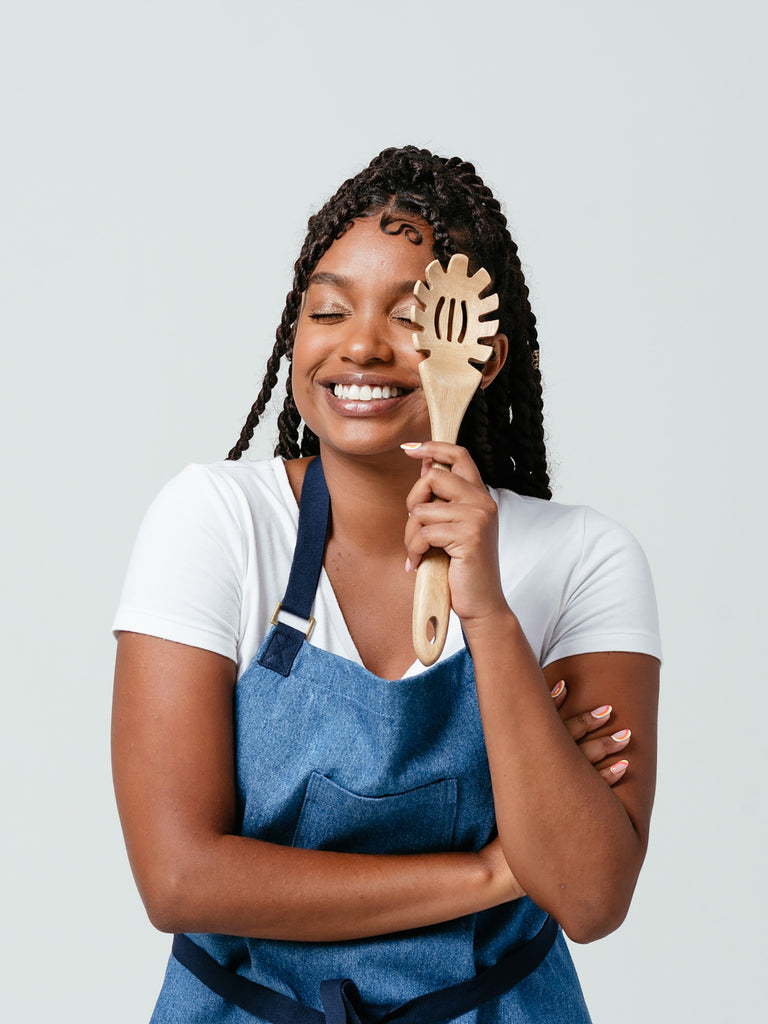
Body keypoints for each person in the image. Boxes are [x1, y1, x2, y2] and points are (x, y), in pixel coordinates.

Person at [112, 146, 661, 1023]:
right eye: (327, 309)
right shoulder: (214, 522)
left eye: (411, 319)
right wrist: (494, 872)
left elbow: (591, 896)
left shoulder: (583, 560)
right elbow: (179, 878)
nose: (359, 343)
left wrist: (488, 609)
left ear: (481, 360)